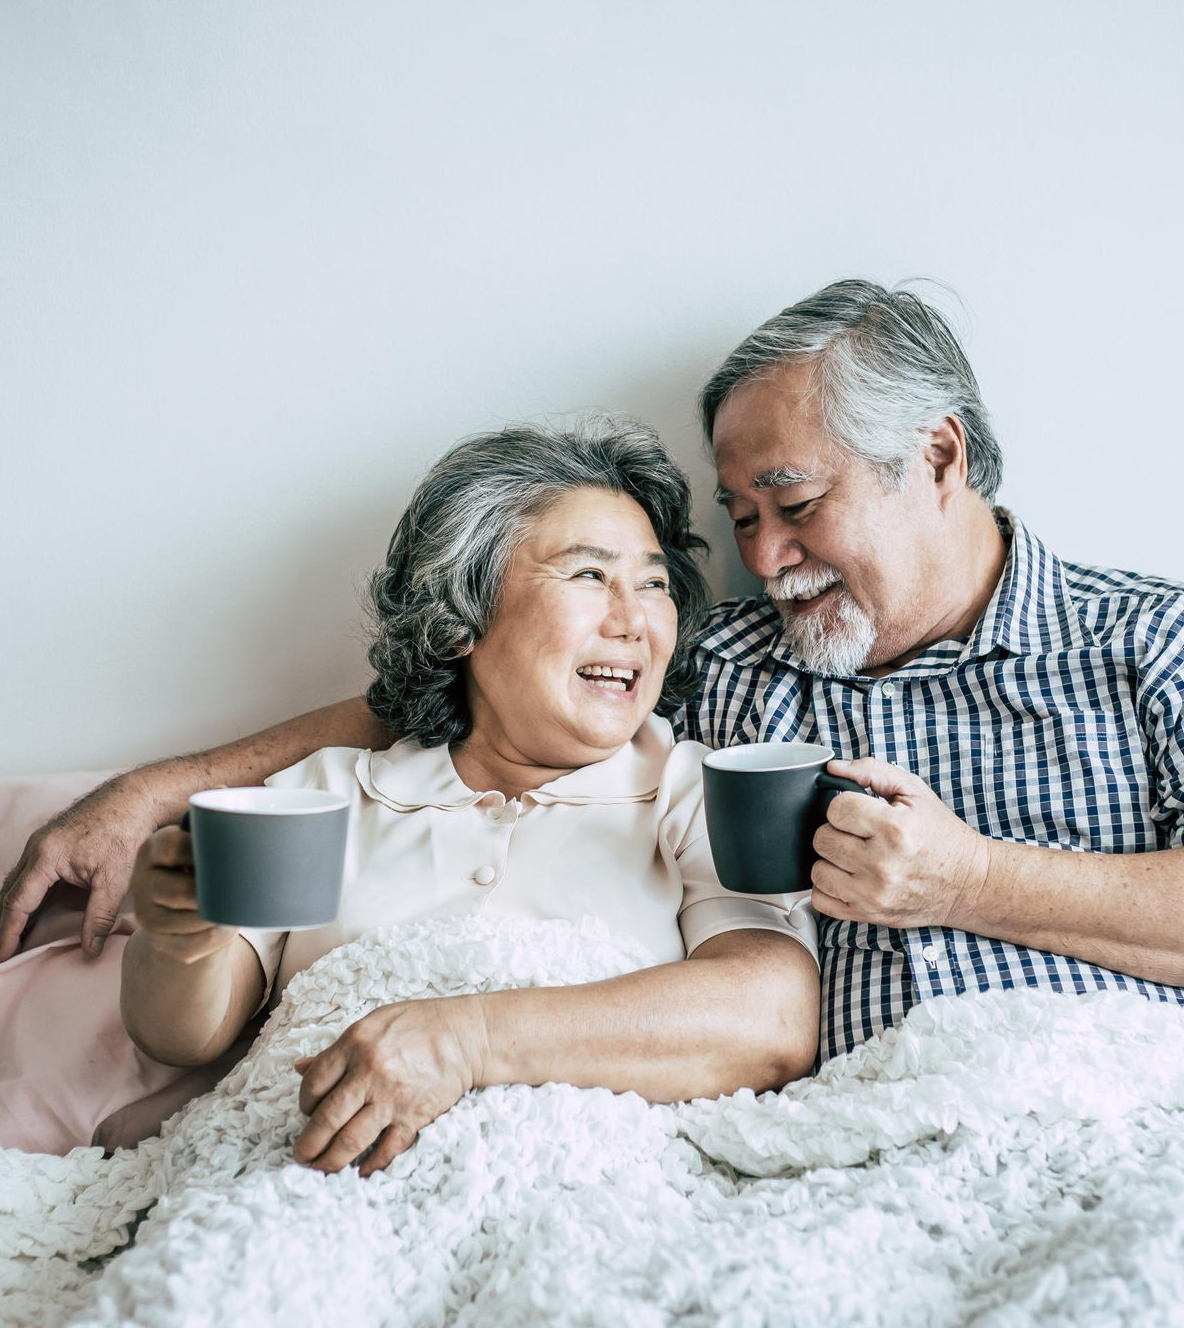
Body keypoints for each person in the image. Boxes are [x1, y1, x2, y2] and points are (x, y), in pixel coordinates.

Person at [0, 278, 1184, 1079]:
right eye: (738, 518)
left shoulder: (1168, 644)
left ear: (938, 458)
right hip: (840, 1162)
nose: (760, 558)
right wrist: (159, 796)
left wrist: (968, 880)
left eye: (792, 501)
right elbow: (465, 701)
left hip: (1145, 1102)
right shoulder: (728, 659)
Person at [116, 420, 818, 1175]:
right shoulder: (327, 793)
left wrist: (468, 1040)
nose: (634, 621)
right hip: (317, 1191)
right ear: (462, 617)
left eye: (653, 584)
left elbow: (770, 1019)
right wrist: (180, 941)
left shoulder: (693, 793)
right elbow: (184, 1037)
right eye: (589, 576)